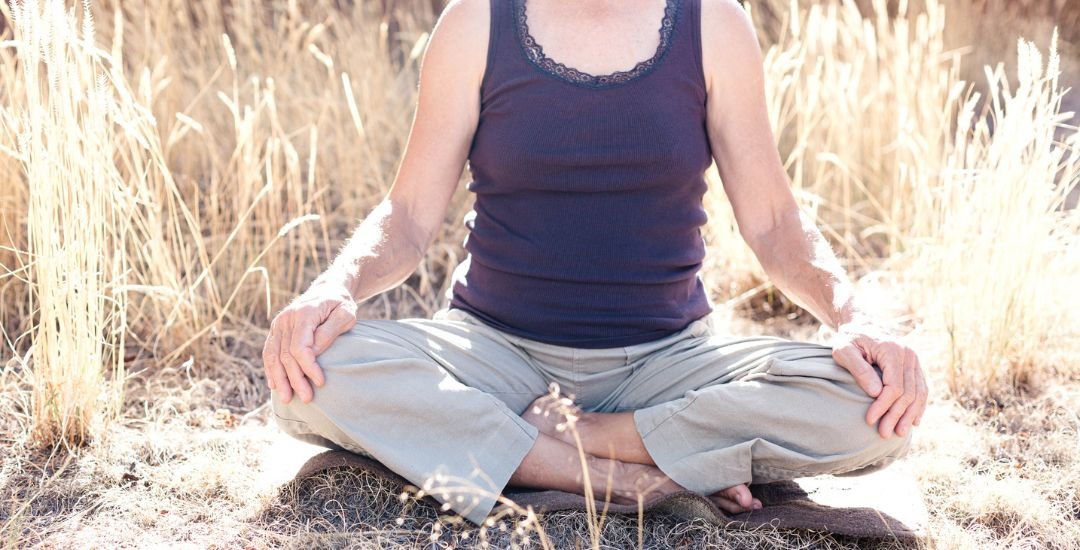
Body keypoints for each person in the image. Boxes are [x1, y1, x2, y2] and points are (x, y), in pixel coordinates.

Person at [263, 0, 928, 526]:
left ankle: (589, 437)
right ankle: (618, 474)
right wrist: (337, 285)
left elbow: (775, 222)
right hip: (494, 354)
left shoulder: (714, 23)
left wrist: (854, 315)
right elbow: (407, 215)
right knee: (313, 371)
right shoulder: (475, 23)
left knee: (871, 409)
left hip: (668, 364)